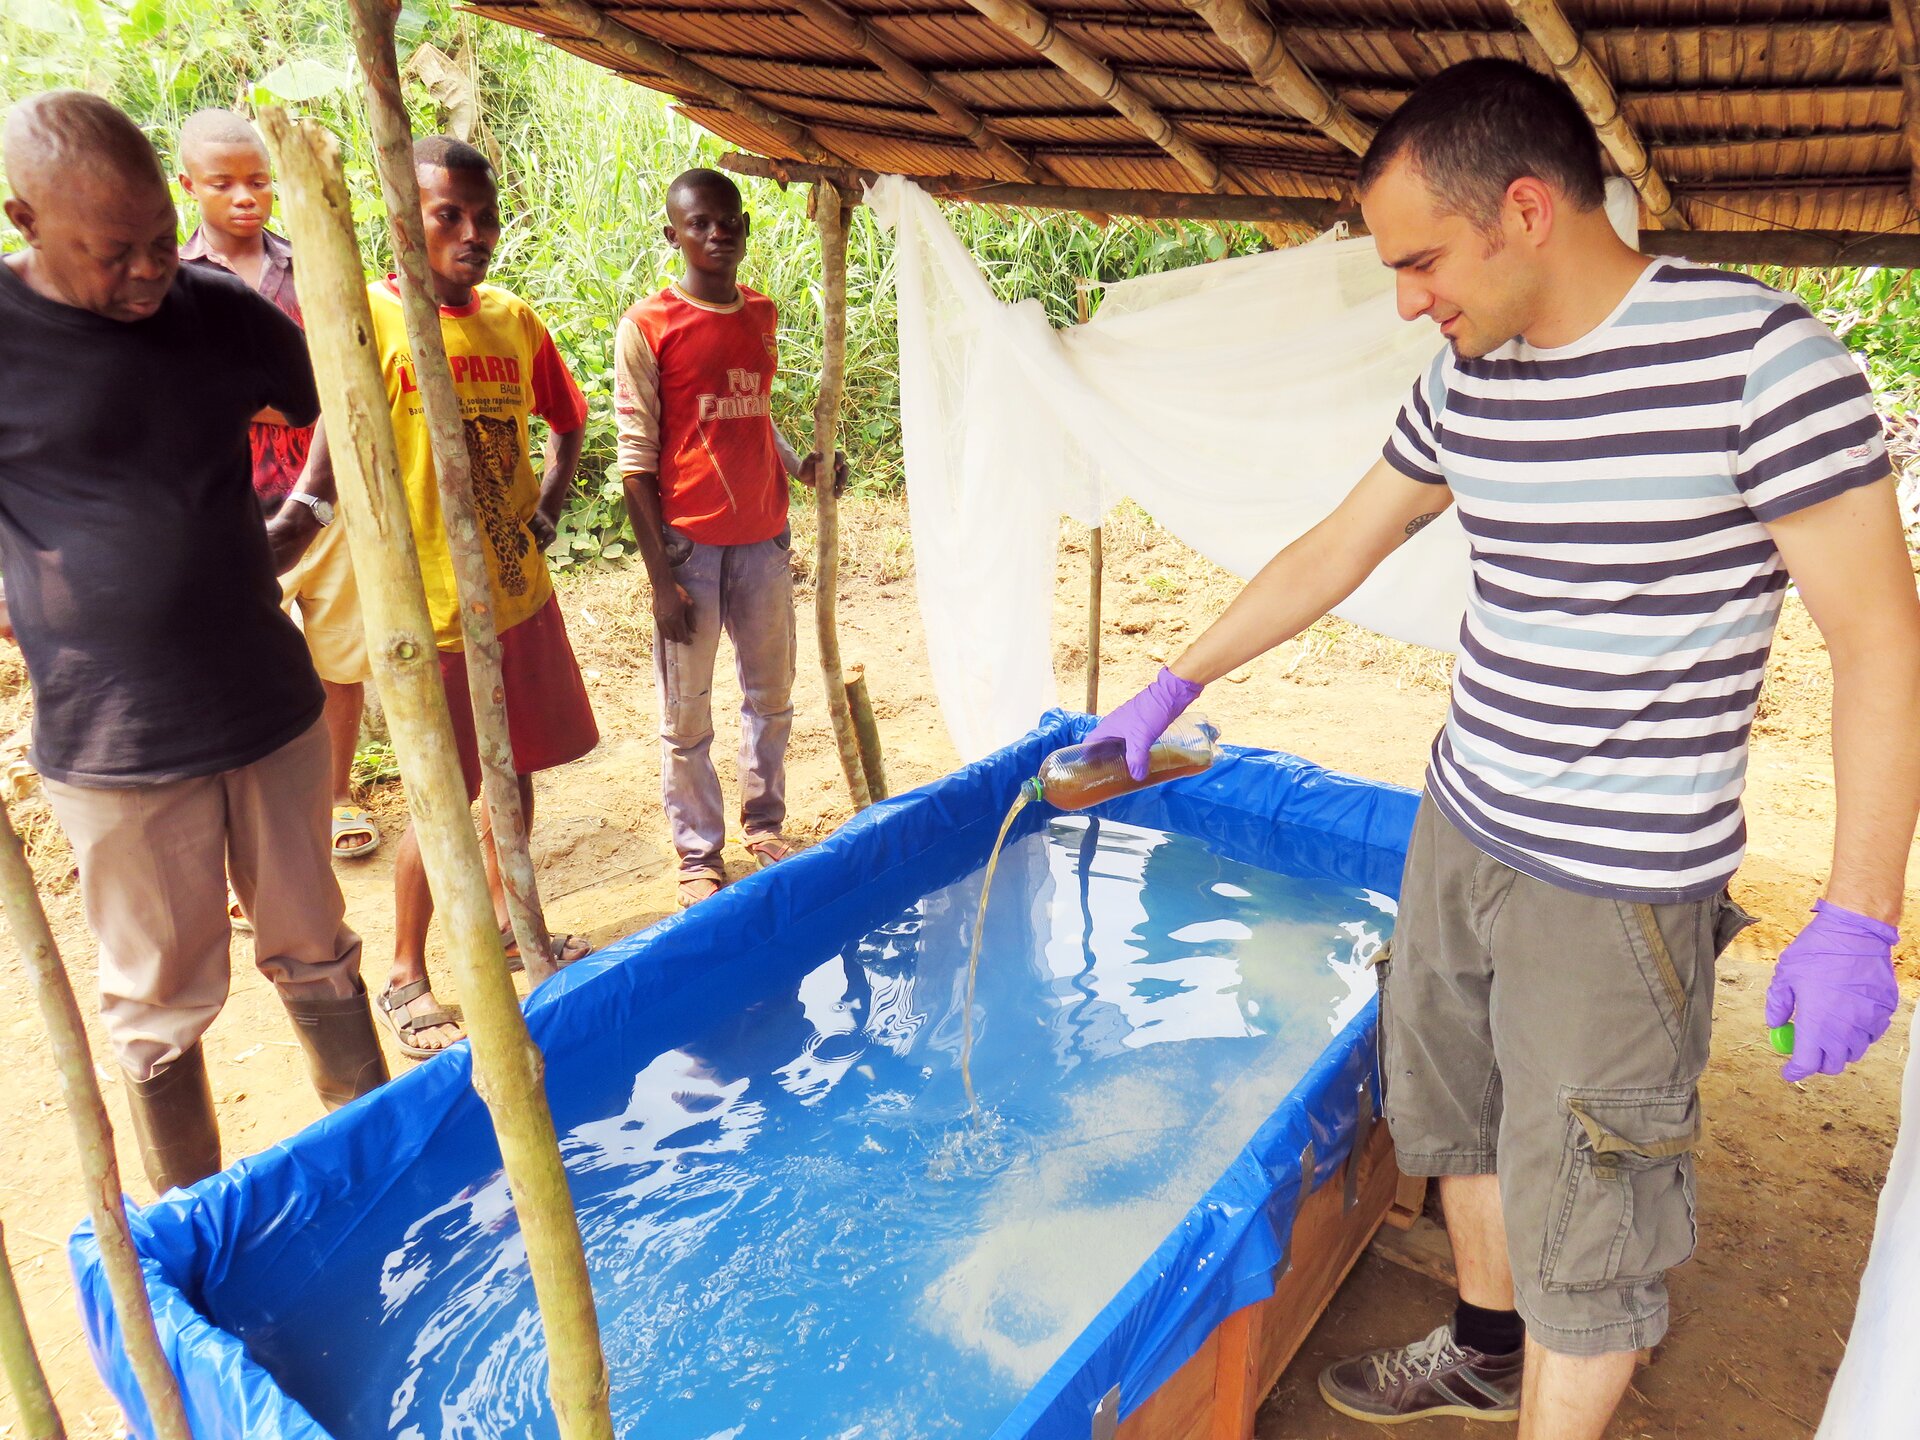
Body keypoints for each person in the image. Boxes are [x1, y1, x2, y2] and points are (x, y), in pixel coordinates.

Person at [1087, 58, 1920, 1440]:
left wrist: (1859, 913)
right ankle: (1483, 1345)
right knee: (1454, 1107)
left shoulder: (1764, 362)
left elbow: (1882, 643)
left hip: (1620, 881)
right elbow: (1342, 544)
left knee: (1592, 1184)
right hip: (1465, 818)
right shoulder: (1469, 378)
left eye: (1420, 261)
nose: (1410, 299)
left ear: (1525, 209)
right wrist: (1174, 682)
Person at [0, 91, 387, 1194]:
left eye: (161, 241)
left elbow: (343, 399)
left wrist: (303, 516)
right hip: (114, 734)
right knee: (158, 1005)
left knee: (317, 949)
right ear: (26, 219)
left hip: (265, 703)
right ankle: (196, 1215)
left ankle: (368, 1170)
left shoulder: (213, 309)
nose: (147, 271)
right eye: (113, 253)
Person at [286, 137, 598, 1058]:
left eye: (484, 216)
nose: (472, 235)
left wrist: (549, 500)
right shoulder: (370, 320)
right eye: (447, 216)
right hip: (428, 612)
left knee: (513, 771)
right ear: (401, 221)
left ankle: (513, 924)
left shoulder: (512, 321)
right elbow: (330, 459)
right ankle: (404, 973)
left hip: (515, 595)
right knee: (443, 795)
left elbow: (568, 423)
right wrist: (285, 536)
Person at [614, 168, 845, 909]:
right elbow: (635, 459)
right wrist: (660, 579)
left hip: (765, 540)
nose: (717, 235)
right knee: (687, 714)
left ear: (744, 227)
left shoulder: (760, 313)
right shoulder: (648, 325)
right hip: (690, 549)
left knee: (770, 696)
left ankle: (765, 822)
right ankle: (697, 853)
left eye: (729, 222)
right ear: (673, 234)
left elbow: (752, 413)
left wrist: (801, 466)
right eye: (699, 224)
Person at [176, 108, 379, 864]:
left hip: (323, 499)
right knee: (236, 671)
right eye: (223, 184)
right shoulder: (174, 282)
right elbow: (185, 395)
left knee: (338, 660)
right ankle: (250, 837)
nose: (244, 197)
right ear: (188, 186)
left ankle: (333, 798)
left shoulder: (307, 266)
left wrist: (263, 395)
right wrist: (287, 392)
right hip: (224, 510)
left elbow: (341, 381)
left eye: (259, 181)